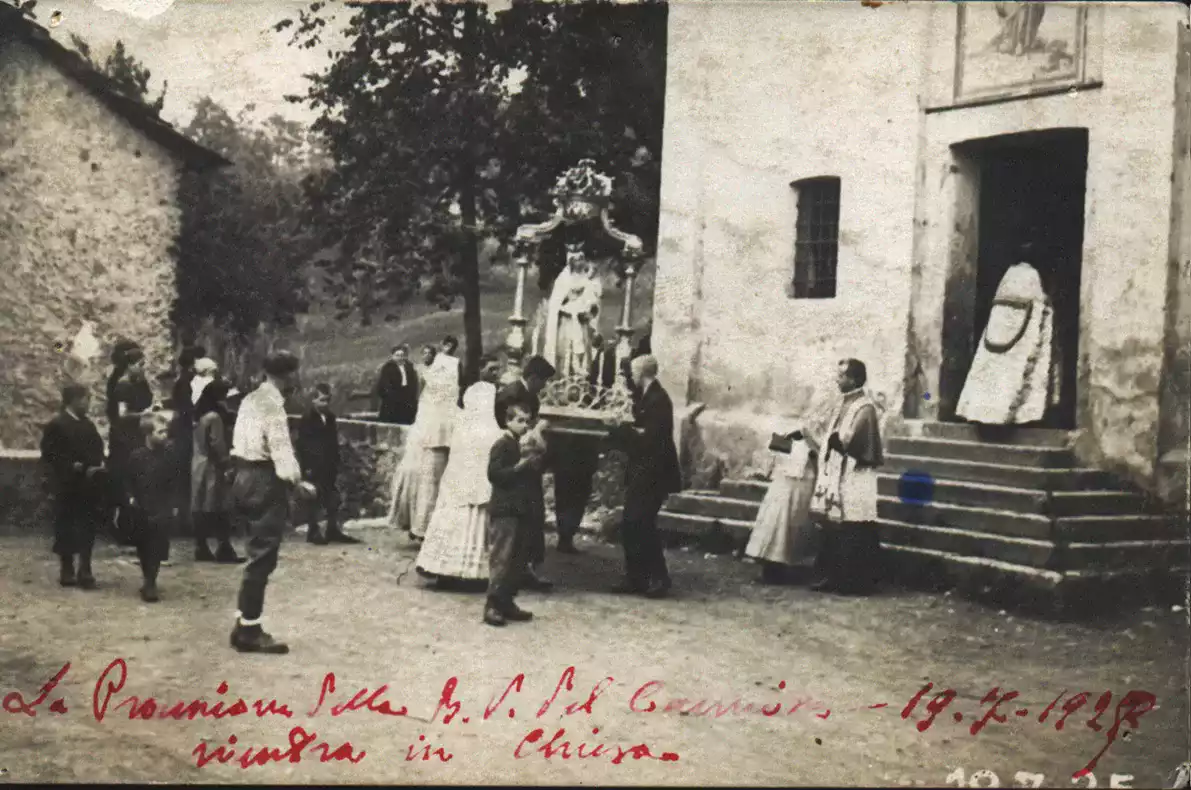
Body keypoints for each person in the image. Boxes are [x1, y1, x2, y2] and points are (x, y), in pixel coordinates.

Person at [228, 351, 308, 654]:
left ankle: (243, 622)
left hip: (242, 476)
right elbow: (281, 451)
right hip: (263, 479)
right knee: (263, 554)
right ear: (289, 375)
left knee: (255, 550)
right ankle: (250, 628)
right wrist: (298, 482)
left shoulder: (250, 399)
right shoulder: (273, 406)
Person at [415, 360, 505, 584]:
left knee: (452, 523)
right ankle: (468, 572)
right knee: (470, 524)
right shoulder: (491, 433)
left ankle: (443, 568)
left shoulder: (464, 425)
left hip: (456, 488)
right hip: (471, 489)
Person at [808, 358, 885, 596]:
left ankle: (855, 581)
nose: (836, 379)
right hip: (837, 474)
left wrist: (836, 441)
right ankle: (832, 576)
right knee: (834, 526)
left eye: (841, 376)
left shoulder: (865, 407)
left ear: (853, 379)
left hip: (856, 475)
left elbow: (857, 441)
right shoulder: (843, 404)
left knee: (855, 527)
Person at [610, 354, 681, 598]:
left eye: (633, 372)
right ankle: (637, 577)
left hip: (653, 473)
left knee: (641, 523)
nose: (631, 376)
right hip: (643, 470)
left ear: (642, 373)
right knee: (633, 523)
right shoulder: (648, 397)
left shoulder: (658, 399)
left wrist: (622, 430)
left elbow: (649, 438)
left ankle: (658, 578)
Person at [956, 262, 1059, 426]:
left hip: (1011, 297)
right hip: (1026, 296)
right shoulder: (1031, 275)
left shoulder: (1010, 273)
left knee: (997, 359)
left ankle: (986, 410)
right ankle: (1016, 412)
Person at [494, 355, 556, 591]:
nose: (545, 386)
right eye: (544, 381)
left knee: (533, 515)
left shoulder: (528, 394)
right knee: (521, 517)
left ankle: (526, 566)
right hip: (514, 462)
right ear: (533, 377)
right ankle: (517, 570)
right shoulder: (511, 394)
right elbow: (503, 429)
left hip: (528, 462)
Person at [40, 383, 106, 589]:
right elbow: (49, 454)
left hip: (87, 483)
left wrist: (94, 464)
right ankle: (67, 568)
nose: (88, 403)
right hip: (66, 484)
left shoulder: (88, 425)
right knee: (65, 525)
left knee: (87, 525)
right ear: (74, 400)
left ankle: (85, 569)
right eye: (86, 399)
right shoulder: (57, 425)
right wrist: (69, 465)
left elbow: (98, 448)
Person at [390, 342, 458, 541]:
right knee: (426, 488)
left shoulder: (445, 400)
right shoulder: (431, 400)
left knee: (432, 489)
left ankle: (426, 529)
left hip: (434, 445)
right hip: (426, 446)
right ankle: (421, 528)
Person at [484, 401, 544, 627]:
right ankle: (492, 605)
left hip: (522, 510)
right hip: (505, 510)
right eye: (519, 421)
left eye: (527, 421)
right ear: (508, 421)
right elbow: (494, 474)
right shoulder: (502, 445)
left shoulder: (525, 444)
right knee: (501, 557)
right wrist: (519, 467)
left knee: (518, 558)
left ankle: (507, 601)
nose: (524, 425)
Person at [744, 425, 820, 584]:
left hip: (804, 477)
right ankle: (770, 564)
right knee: (774, 518)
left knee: (791, 519)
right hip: (785, 474)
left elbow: (820, 450)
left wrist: (808, 437)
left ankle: (783, 566)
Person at [119, 411, 177, 602]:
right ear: (148, 434)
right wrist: (130, 497)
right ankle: (147, 578)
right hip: (142, 507)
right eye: (160, 432)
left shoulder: (168, 455)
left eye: (166, 432)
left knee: (158, 544)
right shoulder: (136, 456)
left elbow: (174, 481)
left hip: (162, 506)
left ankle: (151, 580)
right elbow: (127, 480)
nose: (165, 436)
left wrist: (174, 503)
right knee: (144, 544)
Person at [298, 383, 361, 546]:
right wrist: (307, 467)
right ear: (313, 401)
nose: (325, 404)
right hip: (314, 465)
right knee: (314, 498)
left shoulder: (330, 418)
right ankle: (313, 530)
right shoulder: (307, 419)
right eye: (321, 400)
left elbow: (332, 441)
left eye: (327, 400)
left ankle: (332, 529)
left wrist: (335, 460)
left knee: (332, 497)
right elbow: (303, 445)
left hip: (329, 463)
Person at [191, 378, 244, 563]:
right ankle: (224, 548)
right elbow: (217, 443)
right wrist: (227, 464)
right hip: (213, 466)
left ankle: (201, 546)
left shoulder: (200, 415)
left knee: (200, 507)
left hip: (198, 464)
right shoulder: (215, 417)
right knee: (220, 507)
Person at [539, 242, 603, 378]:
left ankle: (581, 378)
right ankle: (564, 377)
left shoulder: (588, 280)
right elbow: (557, 301)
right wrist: (568, 299)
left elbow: (593, 301)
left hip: (582, 323)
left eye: (581, 260)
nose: (579, 263)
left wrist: (590, 310)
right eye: (576, 261)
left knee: (582, 354)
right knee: (566, 353)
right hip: (566, 322)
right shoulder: (563, 279)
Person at [106, 342, 154, 490]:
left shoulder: (139, 382)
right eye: (140, 365)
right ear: (130, 366)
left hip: (137, 435)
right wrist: (144, 414)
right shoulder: (123, 385)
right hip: (126, 439)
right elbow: (122, 415)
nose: (143, 368)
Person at [169, 346, 203, 538]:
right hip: (183, 434)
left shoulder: (185, 382)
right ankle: (184, 520)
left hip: (183, 431)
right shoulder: (184, 383)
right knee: (184, 476)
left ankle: (185, 519)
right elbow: (185, 409)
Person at [376, 345, 420, 425]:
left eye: (402, 355)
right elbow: (385, 384)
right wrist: (391, 396)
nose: (400, 357)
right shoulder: (387, 367)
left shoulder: (409, 366)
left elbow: (413, 382)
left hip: (407, 398)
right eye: (397, 355)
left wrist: (412, 396)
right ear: (392, 356)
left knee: (406, 420)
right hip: (393, 399)